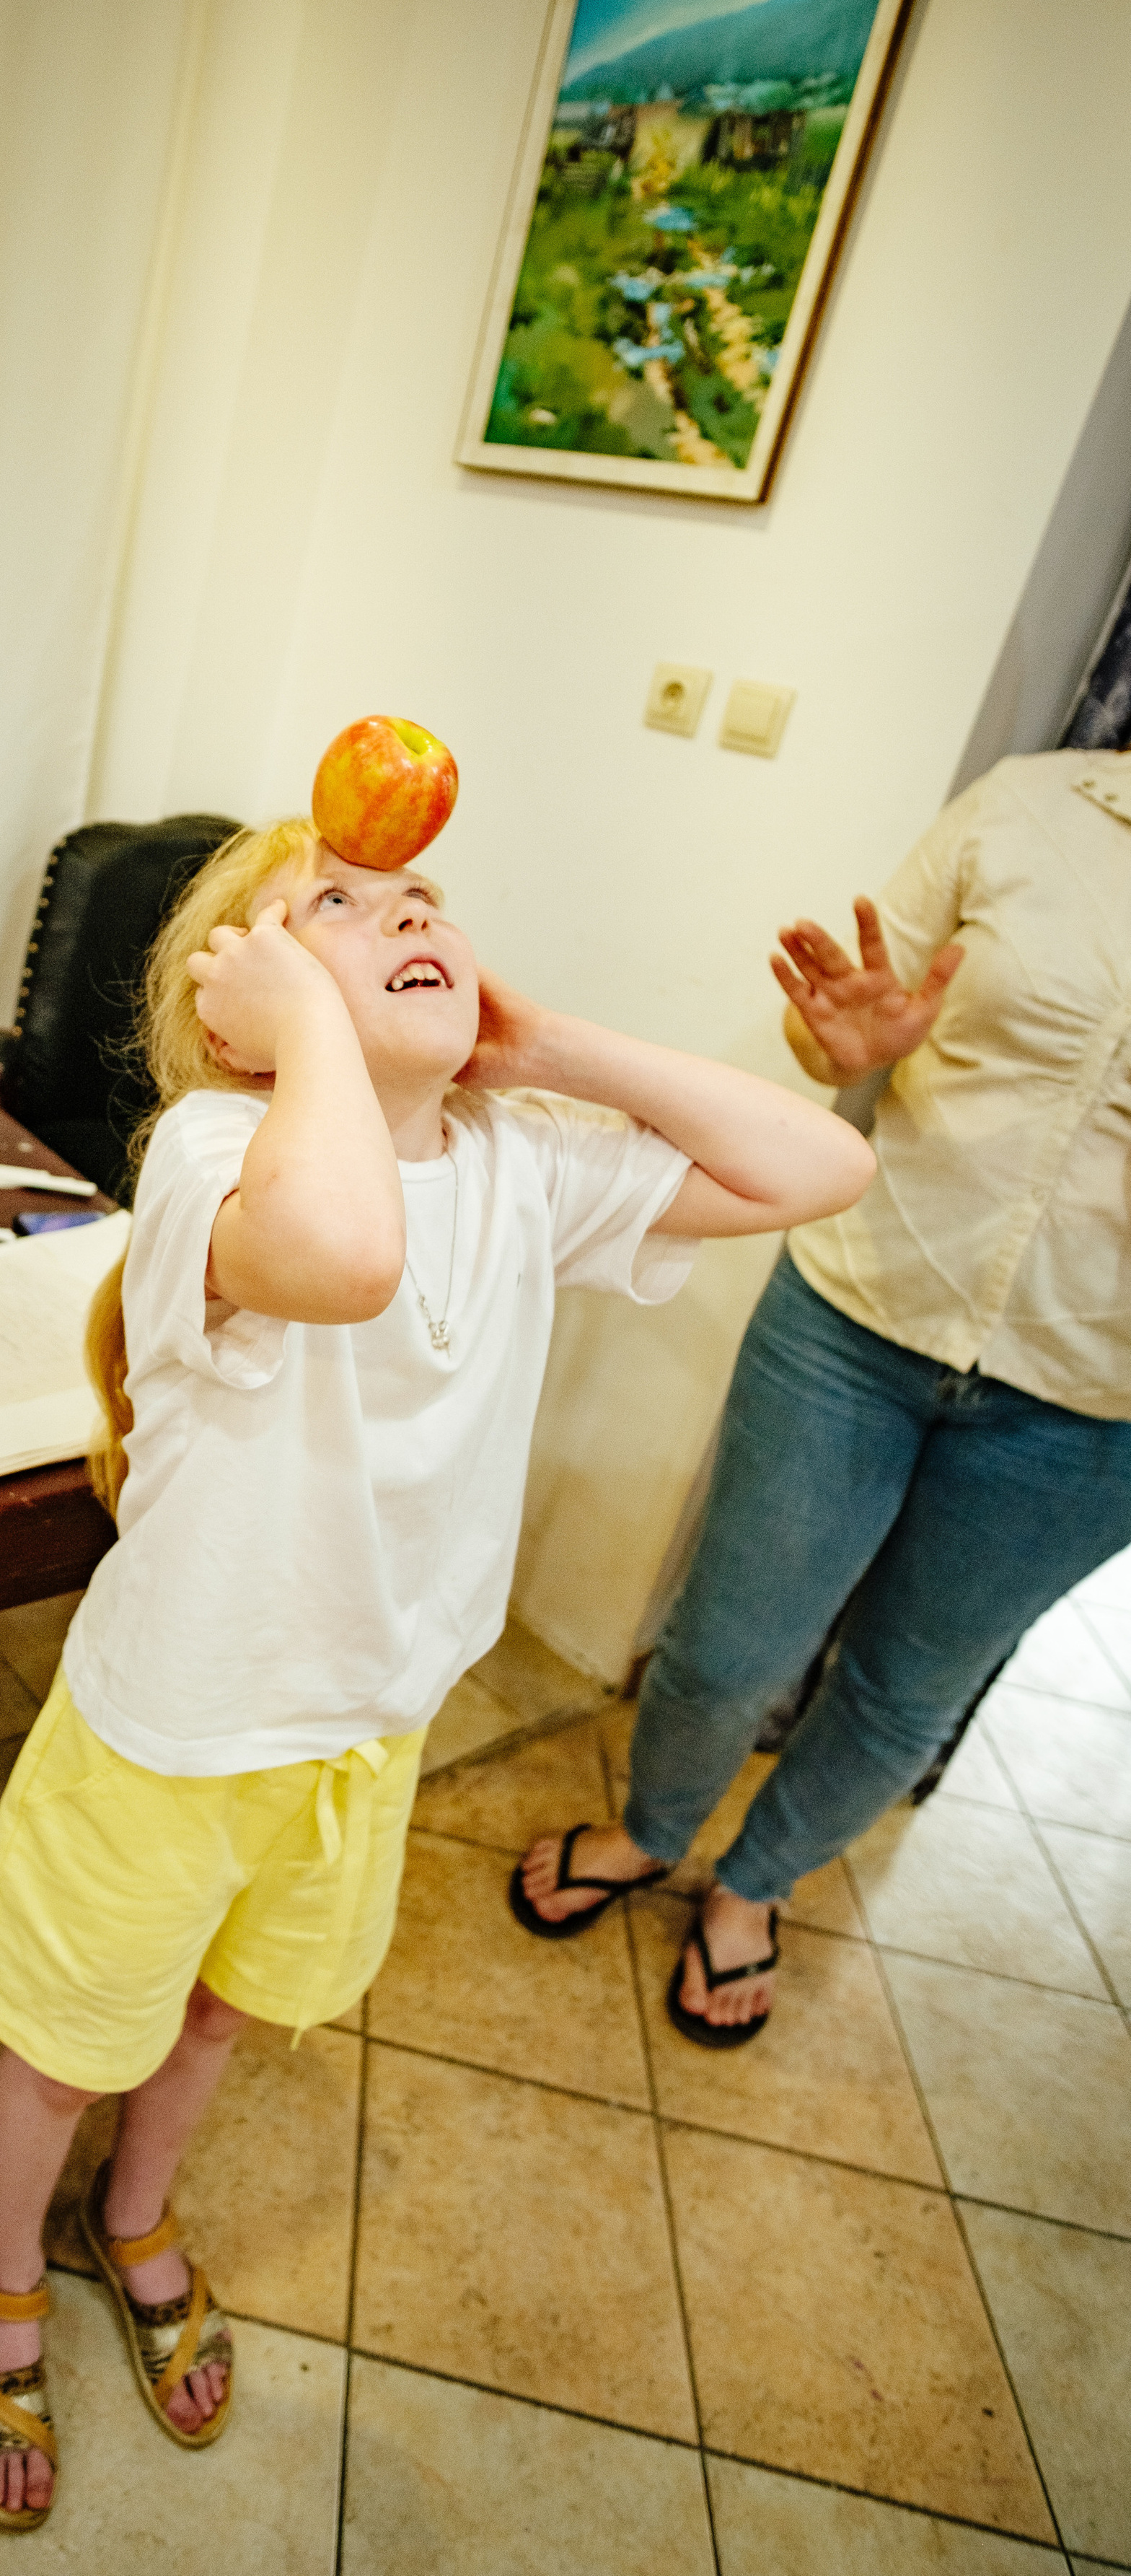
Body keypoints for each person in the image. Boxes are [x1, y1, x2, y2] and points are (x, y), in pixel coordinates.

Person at [0, 810, 871, 2529]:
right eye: (337, 912)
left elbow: (821, 1169)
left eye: (422, 900)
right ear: (237, 1008)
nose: (410, 911)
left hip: (365, 1730)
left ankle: (133, 2215)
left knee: (219, 2016)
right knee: (70, 2040)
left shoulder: (520, 1156)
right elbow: (344, 1257)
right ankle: (0, 2270)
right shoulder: (215, 1152)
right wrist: (304, 1038)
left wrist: (550, 1046)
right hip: (176, 1727)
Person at [513, 745, 1131, 2043]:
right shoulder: (1031, 804)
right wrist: (843, 1039)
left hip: (1093, 1404)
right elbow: (834, 1022)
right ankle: (647, 1833)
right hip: (860, 1310)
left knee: (908, 1685)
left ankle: (755, 1889)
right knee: (729, 1645)